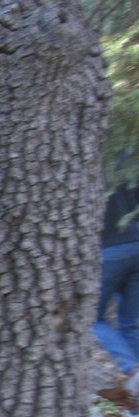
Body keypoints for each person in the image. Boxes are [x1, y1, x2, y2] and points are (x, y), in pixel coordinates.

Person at [94, 170, 139, 401]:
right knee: (129, 324)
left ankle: (132, 370)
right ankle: (136, 390)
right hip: (138, 243)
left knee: (93, 317)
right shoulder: (131, 158)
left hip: (111, 247)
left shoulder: (98, 161)